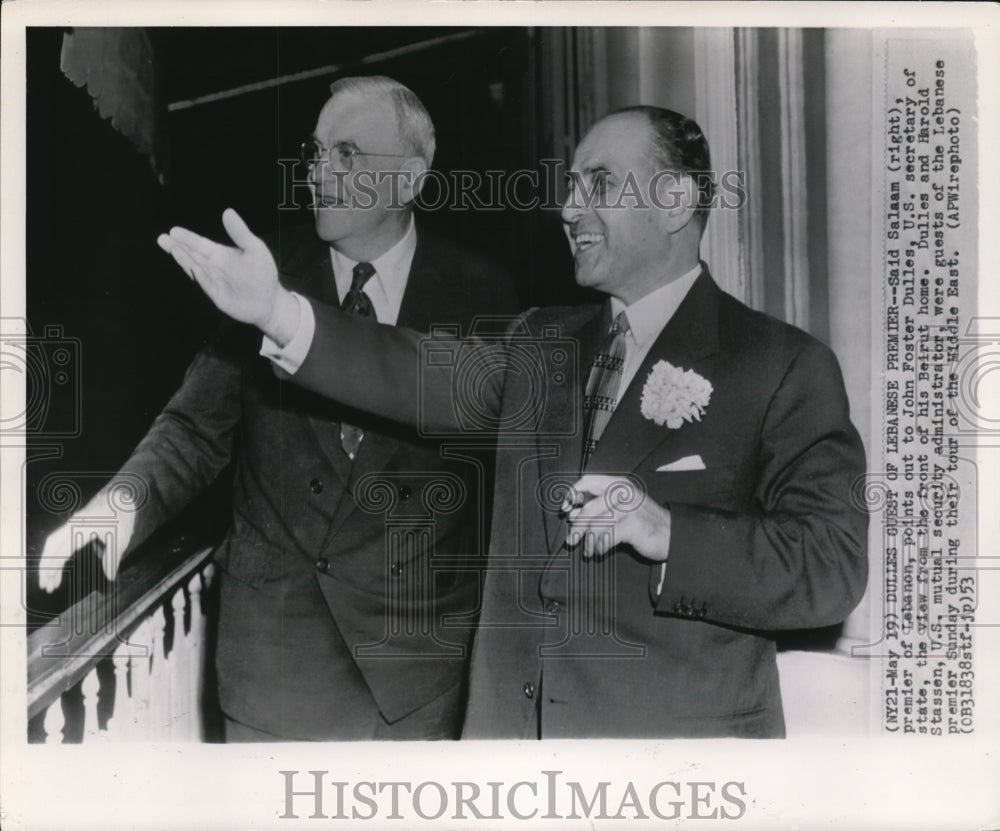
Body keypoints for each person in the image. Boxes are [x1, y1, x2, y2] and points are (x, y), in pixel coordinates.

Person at [157, 106, 868, 739]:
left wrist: (668, 534)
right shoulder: (542, 343)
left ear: (676, 201)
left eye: (598, 184)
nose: (568, 207)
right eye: (570, 185)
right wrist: (279, 312)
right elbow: (412, 372)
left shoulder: (779, 365)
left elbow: (831, 566)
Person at [39, 75, 519, 741]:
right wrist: (120, 505)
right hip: (274, 674)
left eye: (346, 154)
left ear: (410, 178)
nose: (318, 171)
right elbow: (192, 431)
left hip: (415, 682)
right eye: (315, 151)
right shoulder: (264, 276)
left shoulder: (484, 293)